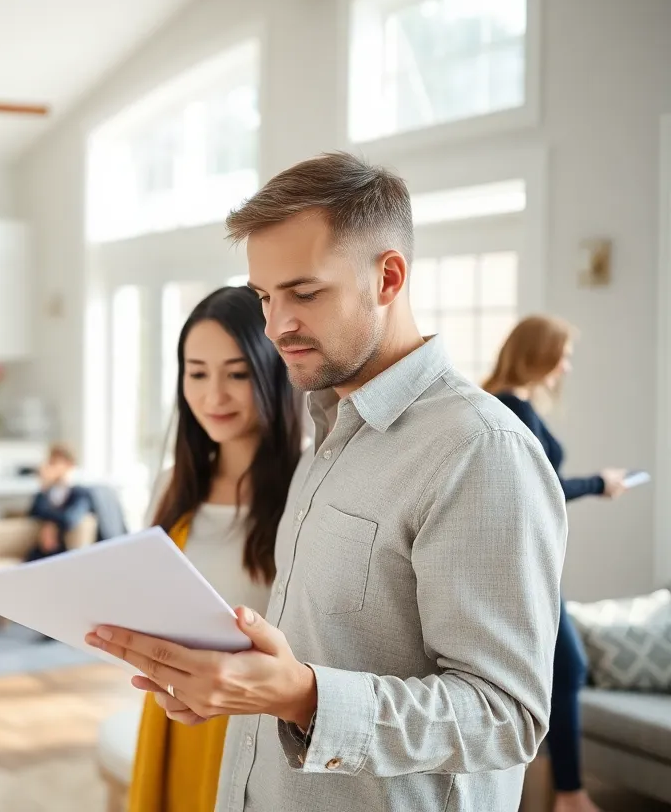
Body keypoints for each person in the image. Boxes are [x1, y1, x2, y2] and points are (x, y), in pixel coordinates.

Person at [84, 151, 568, 812]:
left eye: (305, 293)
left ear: (389, 276)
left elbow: (505, 715)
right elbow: (300, 653)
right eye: (265, 297)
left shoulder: (480, 450)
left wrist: (302, 696)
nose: (277, 325)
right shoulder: (328, 439)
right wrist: (230, 686)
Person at [127, 285, 302, 812]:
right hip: (172, 714)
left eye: (237, 373)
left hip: (260, 728)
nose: (213, 396)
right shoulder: (169, 487)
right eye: (197, 373)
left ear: (271, 372)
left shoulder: (308, 484)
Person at [484, 315, 630, 812]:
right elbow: (541, 488)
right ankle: (570, 794)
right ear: (537, 353)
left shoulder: (515, 405)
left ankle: (565, 791)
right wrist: (598, 483)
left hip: (530, 560)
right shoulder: (509, 408)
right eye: (562, 354)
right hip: (519, 564)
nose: (566, 366)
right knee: (567, 668)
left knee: (563, 669)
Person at [23, 443, 93, 563]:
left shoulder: (80, 493)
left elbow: (69, 519)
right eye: (49, 463)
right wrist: (44, 487)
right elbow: (34, 513)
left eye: (54, 463)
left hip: (63, 553)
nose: (50, 468)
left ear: (69, 465)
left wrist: (51, 523)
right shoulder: (44, 493)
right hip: (41, 552)